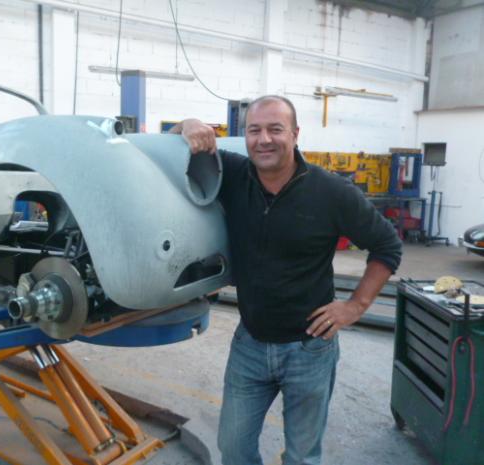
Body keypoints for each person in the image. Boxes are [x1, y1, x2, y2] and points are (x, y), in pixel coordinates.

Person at [170, 95, 401, 465]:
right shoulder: (232, 174)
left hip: (309, 349)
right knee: (233, 448)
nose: (264, 139)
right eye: (254, 130)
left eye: (275, 129)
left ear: (295, 134)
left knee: (302, 456)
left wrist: (355, 306)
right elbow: (171, 145)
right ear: (245, 136)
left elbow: (387, 245)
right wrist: (189, 122)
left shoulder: (331, 192)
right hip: (250, 344)